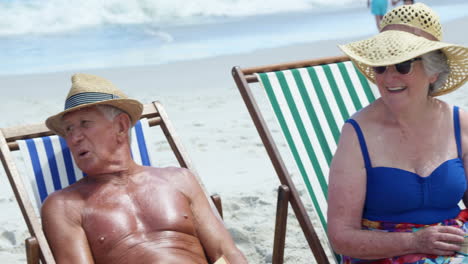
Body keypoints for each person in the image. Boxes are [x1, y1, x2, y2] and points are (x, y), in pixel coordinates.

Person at [41, 73, 248, 264]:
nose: (74, 138)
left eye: (85, 123)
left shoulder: (179, 180)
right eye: (69, 129)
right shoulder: (65, 205)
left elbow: (225, 253)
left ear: (121, 127)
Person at [327, 3, 468, 263]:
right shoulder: (358, 134)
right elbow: (341, 236)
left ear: (433, 71)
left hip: (454, 246)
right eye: (380, 67)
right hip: (386, 254)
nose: (389, 78)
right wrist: (414, 241)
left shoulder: (459, 123)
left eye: (402, 65)